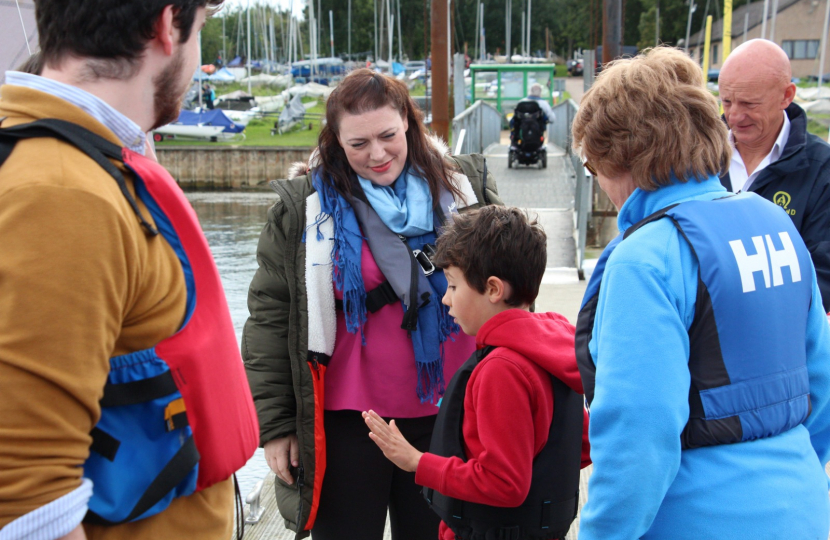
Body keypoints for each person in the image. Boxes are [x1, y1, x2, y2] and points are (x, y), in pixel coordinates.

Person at [0, 1, 260, 539]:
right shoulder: (62, 193)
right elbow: (26, 496)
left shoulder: (82, 161)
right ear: (168, 25)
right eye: (202, 28)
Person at [572, 47, 830, 539]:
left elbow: (638, 437)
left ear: (618, 158)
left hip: (694, 516)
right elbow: (821, 378)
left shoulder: (645, 257)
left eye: (592, 166)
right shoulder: (774, 222)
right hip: (799, 506)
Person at [242, 68, 503, 540]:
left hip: (451, 413)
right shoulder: (305, 208)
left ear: (408, 122)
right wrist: (277, 424)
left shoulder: (465, 189)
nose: (377, 154)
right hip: (348, 423)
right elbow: (269, 318)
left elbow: (508, 287)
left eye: (387, 136)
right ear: (335, 141)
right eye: (358, 143)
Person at [363, 205, 591, 540]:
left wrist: (417, 462)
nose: (445, 299)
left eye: (453, 286)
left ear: (494, 290)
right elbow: (582, 446)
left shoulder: (502, 370)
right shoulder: (555, 348)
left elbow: (504, 483)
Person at [719, 39, 830, 313]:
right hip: (702, 338)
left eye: (749, 103)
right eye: (726, 101)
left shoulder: (821, 168)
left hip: (780, 335)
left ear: (787, 95)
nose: (734, 115)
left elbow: (823, 272)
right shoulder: (693, 156)